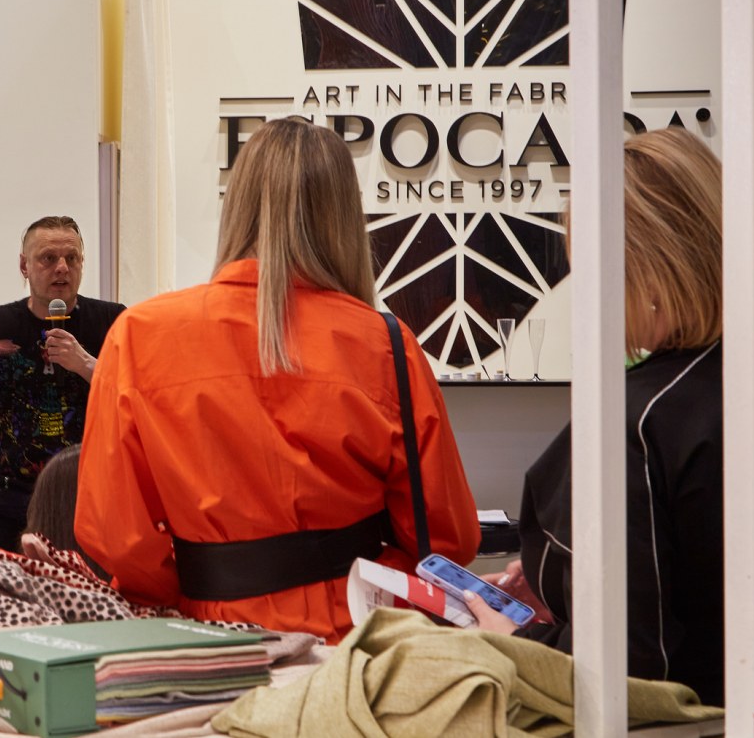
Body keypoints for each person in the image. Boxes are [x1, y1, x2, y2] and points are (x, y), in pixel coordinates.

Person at [73, 117, 480, 642]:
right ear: (344, 217)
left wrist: (197, 585)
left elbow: (116, 536)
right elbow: (446, 539)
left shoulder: (138, 336)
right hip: (354, 641)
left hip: (209, 644)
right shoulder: (383, 344)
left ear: (237, 204)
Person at [466, 127, 725, 706]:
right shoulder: (741, 383)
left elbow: (630, 667)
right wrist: (563, 581)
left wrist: (518, 642)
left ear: (641, 265)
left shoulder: (635, 422)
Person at [0, 216, 125, 552]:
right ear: (25, 266)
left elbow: (138, 402)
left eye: (72, 258)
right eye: (48, 258)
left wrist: (85, 364)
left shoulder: (114, 320)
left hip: (93, 485)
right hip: (16, 488)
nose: (62, 268)